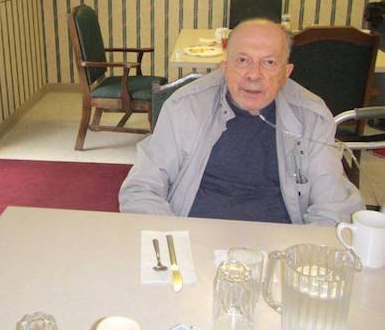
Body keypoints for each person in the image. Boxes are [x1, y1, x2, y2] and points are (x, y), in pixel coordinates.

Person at [119, 19, 363, 225]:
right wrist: (173, 241)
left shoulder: (312, 116)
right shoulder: (185, 106)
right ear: (224, 67)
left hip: (280, 248)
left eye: (269, 62)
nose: (254, 75)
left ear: (286, 72)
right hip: (194, 239)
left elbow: (333, 208)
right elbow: (142, 188)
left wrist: (303, 255)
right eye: (243, 60)